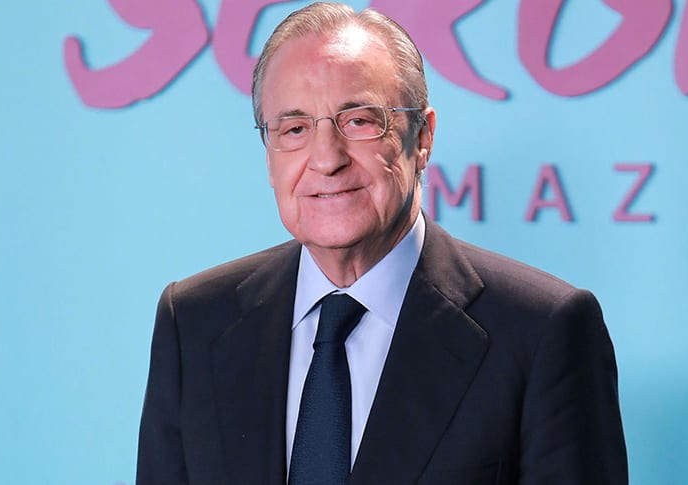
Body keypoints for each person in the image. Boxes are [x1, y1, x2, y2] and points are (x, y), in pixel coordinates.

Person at [136, 2, 628, 484]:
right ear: (269, 155)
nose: (326, 159)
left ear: (422, 138)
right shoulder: (194, 321)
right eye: (295, 128)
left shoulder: (541, 331)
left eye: (359, 121)